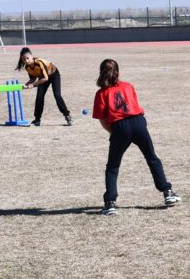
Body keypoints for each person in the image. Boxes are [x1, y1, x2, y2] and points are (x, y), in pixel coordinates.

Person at [92, 58, 180, 215]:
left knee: (113, 166)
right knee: (152, 158)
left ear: (101, 73)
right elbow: (134, 106)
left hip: (119, 126)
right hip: (138, 123)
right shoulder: (128, 86)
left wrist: (116, 133)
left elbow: (103, 120)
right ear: (118, 72)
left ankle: (110, 202)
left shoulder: (101, 93)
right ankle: (167, 192)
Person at [16, 47, 73, 126]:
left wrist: (32, 85)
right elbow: (33, 78)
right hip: (43, 77)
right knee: (39, 97)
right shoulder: (27, 67)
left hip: (54, 75)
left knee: (57, 95)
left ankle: (67, 116)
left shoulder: (39, 63)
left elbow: (45, 78)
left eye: (27, 58)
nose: (26, 61)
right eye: (24, 59)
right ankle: (37, 119)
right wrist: (25, 85)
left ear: (32, 56)